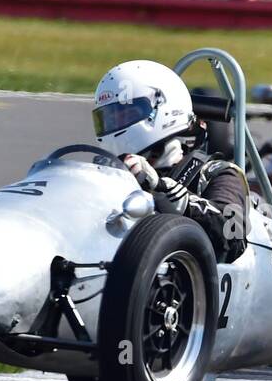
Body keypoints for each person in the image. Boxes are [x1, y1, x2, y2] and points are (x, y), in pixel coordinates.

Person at [92, 60, 248, 263]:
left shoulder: (217, 173)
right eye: (110, 119)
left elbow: (233, 236)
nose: (115, 125)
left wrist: (161, 189)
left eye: (125, 116)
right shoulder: (110, 174)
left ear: (162, 110)